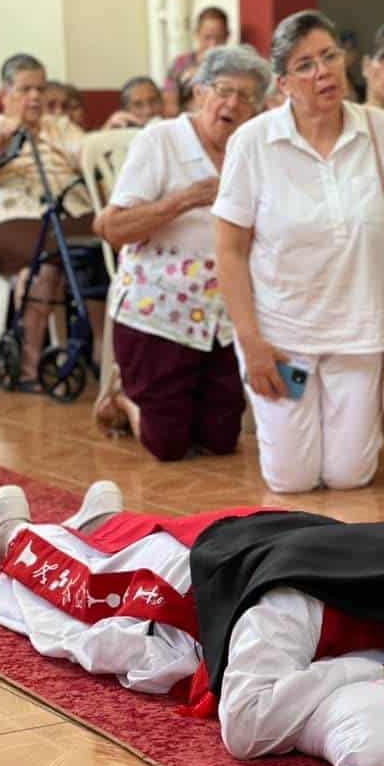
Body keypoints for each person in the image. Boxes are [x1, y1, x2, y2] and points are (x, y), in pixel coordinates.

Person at [0, 482, 384, 766]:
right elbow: (246, 725)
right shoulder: (294, 604)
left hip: (274, 530)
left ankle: (100, 513)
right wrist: (375, 667)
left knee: (119, 533)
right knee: (83, 582)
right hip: (189, 581)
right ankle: (12, 531)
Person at [213, 10, 384, 494]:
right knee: (291, 480)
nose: (322, 71)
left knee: (348, 476)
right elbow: (230, 250)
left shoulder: (380, 132)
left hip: (358, 334)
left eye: (329, 56)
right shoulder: (253, 143)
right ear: (282, 84)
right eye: (304, 65)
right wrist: (251, 341)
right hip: (281, 338)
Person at [93, 46, 271, 460]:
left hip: (224, 315)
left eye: (246, 97)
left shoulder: (254, 151)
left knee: (220, 440)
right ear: (200, 93)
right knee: (168, 445)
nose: (233, 104)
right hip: (158, 308)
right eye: (224, 90)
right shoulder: (161, 139)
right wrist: (185, 199)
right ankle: (122, 396)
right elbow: (112, 228)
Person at [0, 53, 106, 392]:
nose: (35, 97)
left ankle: (104, 354)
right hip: (8, 219)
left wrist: (108, 136)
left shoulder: (59, 127)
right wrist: (4, 137)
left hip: (64, 215)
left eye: (40, 88)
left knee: (104, 246)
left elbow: (87, 153)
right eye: (25, 89)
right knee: (50, 256)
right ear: (5, 94)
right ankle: (28, 367)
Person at [163, 7, 230, 117]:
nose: (213, 45)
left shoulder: (235, 66)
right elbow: (169, 107)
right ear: (196, 34)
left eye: (219, 38)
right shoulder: (181, 63)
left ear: (227, 36)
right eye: (207, 38)